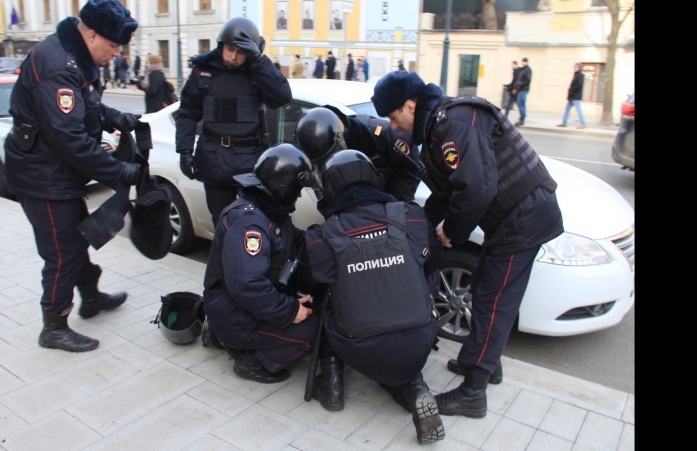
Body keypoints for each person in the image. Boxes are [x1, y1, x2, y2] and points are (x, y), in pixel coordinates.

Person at [371, 71, 564, 418]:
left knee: (493, 297)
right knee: (485, 287)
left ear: (411, 105)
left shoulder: (455, 123)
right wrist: (420, 225)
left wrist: (452, 232)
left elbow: (476, 190)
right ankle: (488, 363)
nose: (394, 127)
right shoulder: (436, 131)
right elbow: (445, 191)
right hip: (511, 217)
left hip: (524, 217)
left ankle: (474, 391)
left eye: (394, 116)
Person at [3, 0, 144, 353]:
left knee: (77, 239)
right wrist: (118, 170)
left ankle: (91, 297)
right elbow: (71, 141)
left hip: (55, 172)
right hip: (44, 177)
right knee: (63, 251)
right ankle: (54, 325)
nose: (116, 53)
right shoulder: (59, 67)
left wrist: (114, 117)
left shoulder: (74, 55)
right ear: (92, 34)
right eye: (112, 46)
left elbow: (85, 104)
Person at [304, 149, 445, 444]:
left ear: (329, 189)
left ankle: (331, 386)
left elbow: (315, 285)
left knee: (326, 298)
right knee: (420, 272)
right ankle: (414, 385)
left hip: (358, 347)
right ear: (374, 179)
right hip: (420, 338)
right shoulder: (412, 217)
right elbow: (433, 262)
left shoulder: (322, 235)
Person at [202, 144, 323, 384]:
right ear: (284, 186)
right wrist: (289, 311)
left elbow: (298, 240)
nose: (299, 196)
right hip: (235, 313)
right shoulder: (251, 224)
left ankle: (222, 335)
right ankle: (252, 362)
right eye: (297, 190)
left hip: (241, 306)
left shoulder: (269, 213)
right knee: (312, 333)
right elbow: (248, 284)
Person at [175, 17, 292, 228]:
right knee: (222, 225)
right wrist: (184, 151)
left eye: (241, 52)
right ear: (221, 45)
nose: (234, 57)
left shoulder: (258, 72)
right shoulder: (203, 72)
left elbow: (282, 97)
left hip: (249, 163)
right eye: (230, 49)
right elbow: (187, 112)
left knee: (251, 226)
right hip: (214, 161)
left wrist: (258, 61)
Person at [295, 105, 423, 217]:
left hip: (389, 203)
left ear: (342, 139)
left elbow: (411, 169)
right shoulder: (312, 151)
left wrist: (395, 205)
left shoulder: (384, 136)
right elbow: (325, 191)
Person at [557, 62, 587, 129]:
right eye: (574, 66)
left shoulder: (580, 75)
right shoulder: (575, 74)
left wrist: (572, 89)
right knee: (567, 109)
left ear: (579, 68)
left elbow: (579, 85)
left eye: (576, 67)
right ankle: (564, 123)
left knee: (578, 110)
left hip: (576, 96)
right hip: (572, 96)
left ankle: (584, 123)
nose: (575, 68)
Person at [513, 57, 531, 126]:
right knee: (521, 104)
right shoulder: (522, 69)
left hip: (524, 89)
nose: (523, 63)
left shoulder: (527, 70)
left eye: (524, 61)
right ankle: (522, 116)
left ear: (527, 62)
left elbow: (528, 79)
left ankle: (522, 119)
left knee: (520, 104)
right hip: (520, 89)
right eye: (523, 61)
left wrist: (520, 84)